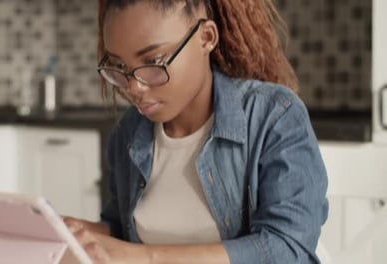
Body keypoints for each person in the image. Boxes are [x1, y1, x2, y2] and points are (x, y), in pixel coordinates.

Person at [63, 0, 329, 263]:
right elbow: (122, 229)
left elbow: (288, 248)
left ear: (206, 37)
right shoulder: (129, 133)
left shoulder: (273, 116)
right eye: (119, 68)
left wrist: (145, 258)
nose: (134, 88)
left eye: (153, 61)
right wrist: (72, 235)